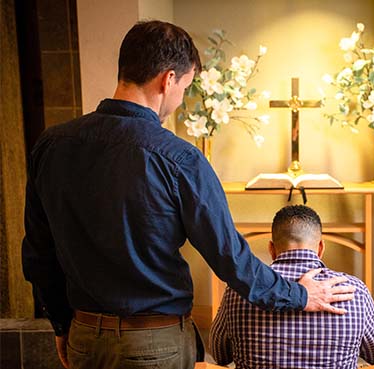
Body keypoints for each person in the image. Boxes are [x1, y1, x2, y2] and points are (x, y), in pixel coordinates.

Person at [21, 20, 355, 369]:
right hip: (154, 344)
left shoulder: (51, 145)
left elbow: (38, 253)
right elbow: (230, 258)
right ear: (168, 79)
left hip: (83, 337)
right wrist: (298, 295)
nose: (180, 99)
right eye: (185, 86)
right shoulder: (179, 158)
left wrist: (61, 325)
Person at [210, 205, 374, 369]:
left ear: (271, 249)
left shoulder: (240, 290)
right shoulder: (353, 291)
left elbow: (219, 354)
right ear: (321, 248)